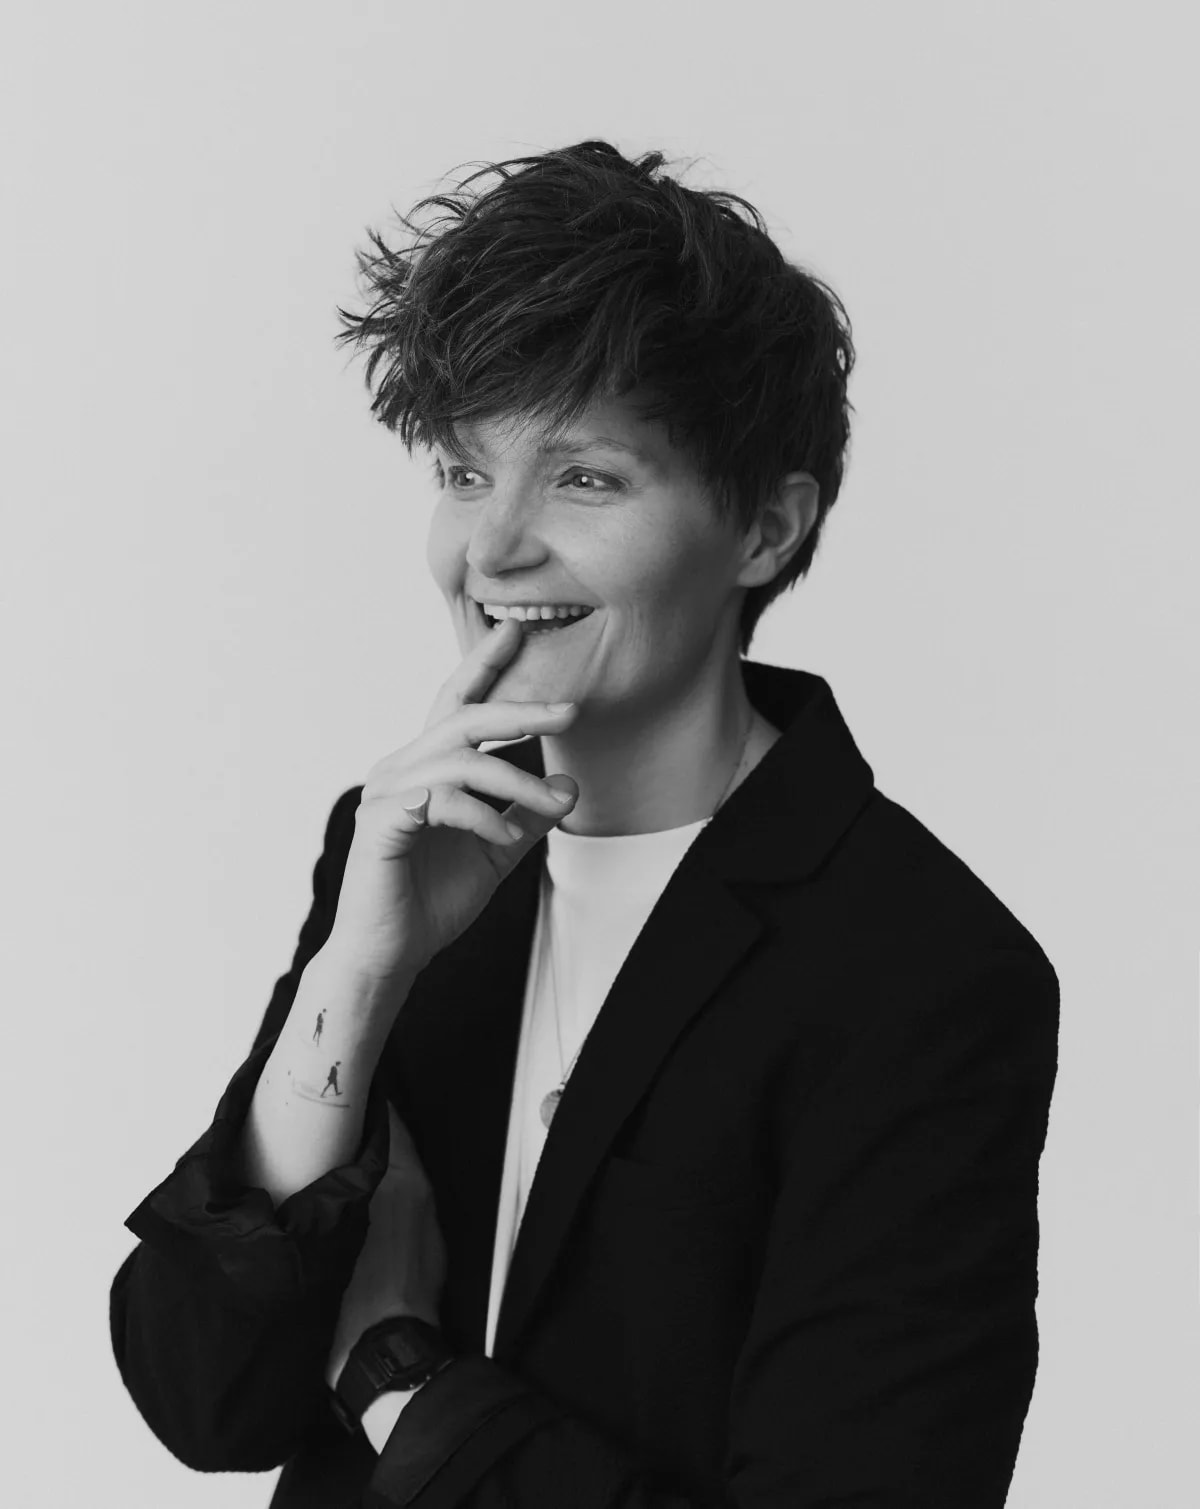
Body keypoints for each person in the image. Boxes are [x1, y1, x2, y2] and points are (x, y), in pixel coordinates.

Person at [109, 140, 1060, 1508]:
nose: (492, 549)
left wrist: (396, 1381)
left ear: (766, 529)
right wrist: (357, 980)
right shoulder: (399, 844)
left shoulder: (924, 970)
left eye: (586, 478)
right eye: (462, 471)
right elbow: (208, 1399)